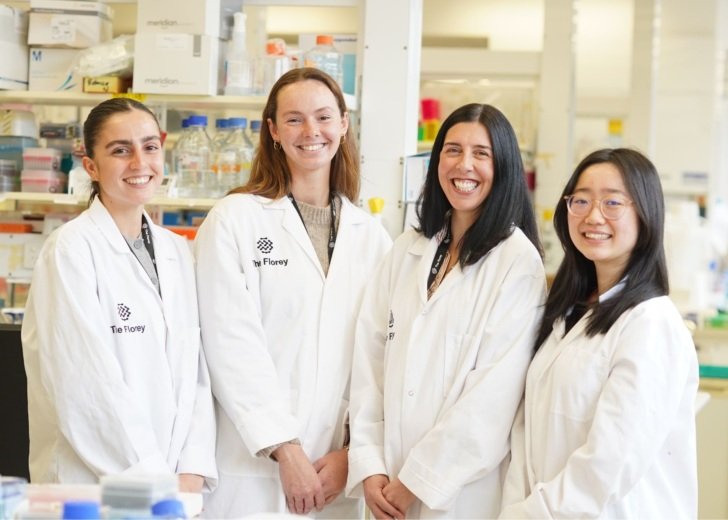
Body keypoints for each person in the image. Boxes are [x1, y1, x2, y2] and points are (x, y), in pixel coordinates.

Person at [194, 67, 393, 518]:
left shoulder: (373, 237)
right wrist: (284, 447)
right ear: (273, 131)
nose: (311, 132)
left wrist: (351, 453)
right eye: (294, 119)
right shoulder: (234, 220)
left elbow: (379, 360)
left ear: (344, 125)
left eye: (323, 117)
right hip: (252, 465)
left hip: (334, 474)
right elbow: (229, 345)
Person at [346, 103, 546, 519]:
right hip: (385, 487)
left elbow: (494, 398)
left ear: (504, 167)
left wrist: (415, 483)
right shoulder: (409, 249)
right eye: (452, 150)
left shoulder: (516, 263)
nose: (464, 165)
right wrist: (370, 466)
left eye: (481, 154)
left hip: (457, 495)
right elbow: (369, 362)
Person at [21, 98, 217, 490]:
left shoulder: (177, 251)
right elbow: (85, 387)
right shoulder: (70, 251)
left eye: (149, 146)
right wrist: (154, 484)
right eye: (120, 150)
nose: (139, 163)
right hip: (95, 488)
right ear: (91, 166)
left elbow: (195, 373)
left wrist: (191, 471)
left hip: (175, 489)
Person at [500, 148, 699, 518]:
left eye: (612, 202)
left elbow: (610, 462)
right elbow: (526, 436)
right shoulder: (567, 310)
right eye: (581, 200)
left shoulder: (652, 323)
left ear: (645, 213)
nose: (593, 216)